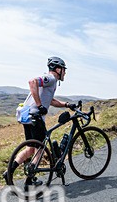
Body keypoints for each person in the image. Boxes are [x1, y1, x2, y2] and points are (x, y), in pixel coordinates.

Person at [5, 56, 78, 186]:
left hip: (28, 117)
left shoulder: (51, 82)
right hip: (36, 117)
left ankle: (8, 172)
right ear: (57, 69)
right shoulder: (50, 78)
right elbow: (32, 82)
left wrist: (67, 105)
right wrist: (39, 105)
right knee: (41, 149)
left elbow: (51, 101)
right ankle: (30, 179)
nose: (65, 73)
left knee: (31, 149)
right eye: (64, 70)